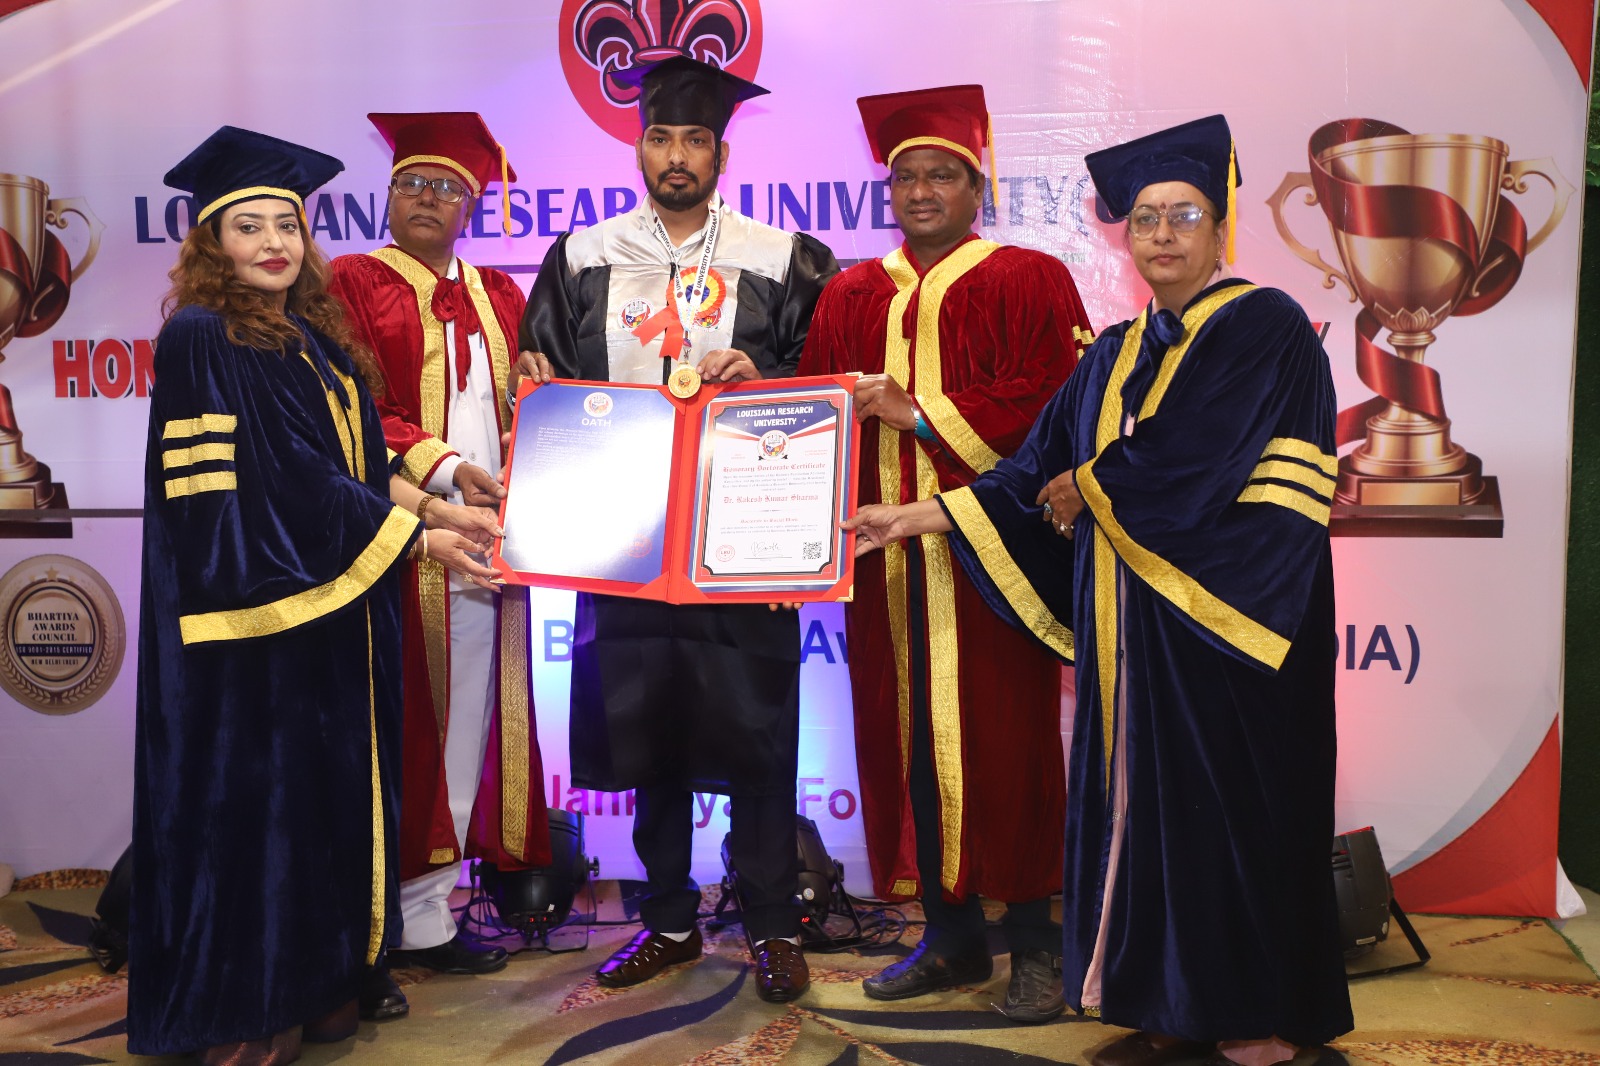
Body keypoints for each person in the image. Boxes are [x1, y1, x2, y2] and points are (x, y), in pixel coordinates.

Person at [845, 115, 1353, 1065]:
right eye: (1146, 219)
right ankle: (1172, 1006)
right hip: (1140, 642)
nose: (1161, 234)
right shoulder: (1115, 350)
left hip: (1237, 635)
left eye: (1183, 216)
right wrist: (910, 520)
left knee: (1238, 823)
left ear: (1219, 228)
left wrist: (1091, 483)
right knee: (1149, 823)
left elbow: (1185, 456)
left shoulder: (1264, 324)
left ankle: (1258, 1027)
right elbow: (1030, 465)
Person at [129, 126, 502, 1064]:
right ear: (210, 243)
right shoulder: (202, 335)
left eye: (287, 224)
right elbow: (285, 481)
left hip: (326, 602)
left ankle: (326, 976)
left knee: (330, 803)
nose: (273, 244)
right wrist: (425, 539)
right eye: (248, 227)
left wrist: (437, 507)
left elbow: (358, 462)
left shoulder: (307, 333)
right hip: (252, 611)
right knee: (260, 814)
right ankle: (248, 1007)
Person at [520, 54, 838, 1003]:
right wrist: (534, 389)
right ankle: (667, 920)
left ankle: (775, 926)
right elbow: (543, 380)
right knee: (643, 730)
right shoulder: (582, 257)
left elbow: (832, 385)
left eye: (695, 138)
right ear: (638, 145)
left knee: (759, 735)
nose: (676, 155)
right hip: (623, 538)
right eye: (660, 136)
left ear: (722, 152)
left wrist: (771, 382)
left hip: (746, 536)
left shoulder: (785, 257)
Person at [798, 84, 1092, 1023]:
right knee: (905, 745)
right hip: (880, 566)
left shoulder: (1028, 278)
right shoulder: (848, 293)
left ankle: (1039, 941)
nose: (921, 191)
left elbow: (1054, 409)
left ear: (978, 186)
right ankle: (952, 939)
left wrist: (914, 410)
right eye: (906, 176)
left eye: (943, 175)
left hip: (992, 565)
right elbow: (802, 422)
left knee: (1010, 749)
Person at [330, 112, 552, 1007]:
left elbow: (536, 409)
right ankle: (362, 928)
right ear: (385, 197)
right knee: (390, 728)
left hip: (490, 548)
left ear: (476, 203)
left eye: (448, 187)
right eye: (412, 184)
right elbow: (348, 405)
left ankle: (429, 912)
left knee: (467, 727)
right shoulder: (347, 281)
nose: (428, 198)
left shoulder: (502, 294)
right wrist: (449, 471)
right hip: (395, 540)